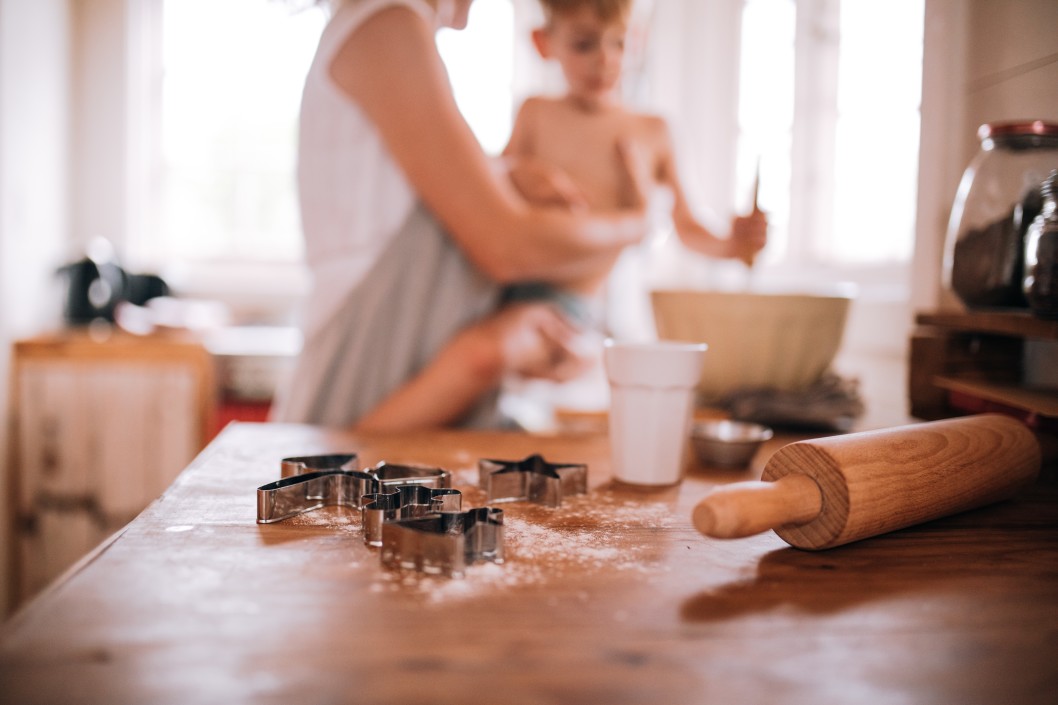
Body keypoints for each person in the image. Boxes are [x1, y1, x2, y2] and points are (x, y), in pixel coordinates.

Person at [270, 0, 653, 432]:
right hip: (364, 371)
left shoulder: (386, 27)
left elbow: (409, 197)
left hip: (386, 377)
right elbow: (511, 248)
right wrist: (635, 222)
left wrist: (503, 175)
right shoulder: (386, 23)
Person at [501, 0, 767, 324]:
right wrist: (515, 176)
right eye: (583, 44)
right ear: (543, 43)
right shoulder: (535, 114)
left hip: (587, 306)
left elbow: (687, 226)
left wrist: (731, 245)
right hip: (513, 287)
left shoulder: (654, 131)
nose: (605, 59)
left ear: (639, 40)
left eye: (620, 42)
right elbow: (493, 196)